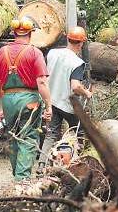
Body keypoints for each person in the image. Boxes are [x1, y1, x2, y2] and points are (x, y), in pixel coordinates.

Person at [0, 15, 52, 182]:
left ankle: (17, 175)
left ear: (14, 33)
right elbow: (41, 82)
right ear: (30, 33)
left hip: (8, 100)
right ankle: (21, 180)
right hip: (29, 100)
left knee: (13, 137)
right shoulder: (34, 52)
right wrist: (49, 106)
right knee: (29, 137)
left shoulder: (2, 52)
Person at [38, 26, 92, 170]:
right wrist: (86, 92)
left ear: (68, 39)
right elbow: (75, 86)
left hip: (51, 101)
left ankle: (41, 166)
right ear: (81, 44)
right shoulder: (77, 63)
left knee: (51, 134)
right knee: (82, 131)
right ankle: (80, 164)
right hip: (66, 104)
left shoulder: (52, 53)